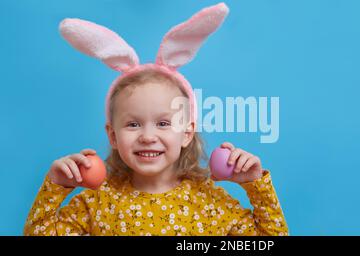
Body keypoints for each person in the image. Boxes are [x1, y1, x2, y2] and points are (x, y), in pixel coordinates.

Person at [24, 3, 288, 236]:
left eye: (163, 123)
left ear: (187, 132)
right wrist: (56, 186)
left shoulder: (211, 203)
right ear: (113, 136)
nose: (148, 136)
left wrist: (256, 187)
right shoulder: (97, 202)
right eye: (133, 124)